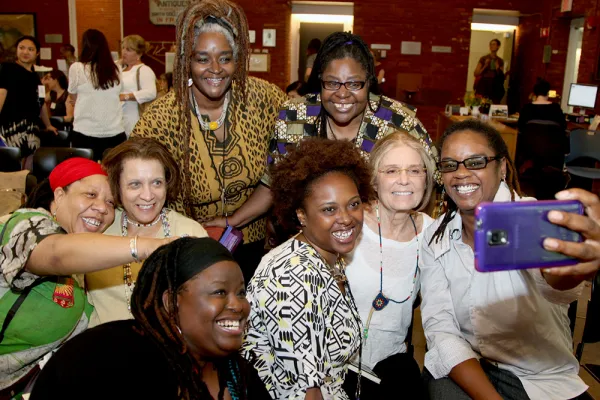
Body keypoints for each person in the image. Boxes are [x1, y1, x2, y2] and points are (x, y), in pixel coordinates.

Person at [420, 119, 593, 400]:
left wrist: (575, 267)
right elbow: (441, 331)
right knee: (438, 386)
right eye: (450, 165)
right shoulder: (435, 238)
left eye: (475, 162)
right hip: (476, 367)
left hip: (542, 379)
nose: (460, 174)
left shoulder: (531, 218)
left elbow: (559, 287)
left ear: (501, 168)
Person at [231, 32, 436, 251]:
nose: (342, 94)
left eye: (354, 84)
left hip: (378, 248)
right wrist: (231, 222)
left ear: (369, 82)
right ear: (320, 81)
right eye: (332, 83)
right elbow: (272, 181)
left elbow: (432, 181)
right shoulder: (296, 116)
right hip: (309, 246)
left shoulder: (398, 122)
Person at [131, 0, 287, 282]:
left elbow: (286, 159)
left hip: (251, 241)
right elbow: (132, 176)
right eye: (202, 59)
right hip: (186, 244)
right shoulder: (161, 118)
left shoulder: (263, 100)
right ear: (186, 62)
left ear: (237, 60)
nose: (215, 69)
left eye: (225, 58)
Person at [0, 157, 172, 397]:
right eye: (90, 195)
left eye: (110, 202)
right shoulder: (24, 224)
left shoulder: (81, 264)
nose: (102, 207)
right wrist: (149, 247)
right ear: (59, 195)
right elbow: (54, 254)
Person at [31, 237, 271, 400]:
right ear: (171, 302)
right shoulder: (113, 360)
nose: (238, 305)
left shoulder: (237, 372)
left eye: (240, 292)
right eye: (220, 292)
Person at [243, 139, 374, 399]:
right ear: (302, 215)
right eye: (329, 209)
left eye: (354, 204)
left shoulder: (325, 253)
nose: (346, 218)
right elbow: (304, 392)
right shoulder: (290, 278)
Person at [343, 131, 437, 399]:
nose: (404, 180)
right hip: (335, 367)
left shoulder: (430, 234)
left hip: (390, 373)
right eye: (392, 170)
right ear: (373, 178)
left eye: (415, 171)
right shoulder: (349, 222)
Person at [86, 137, 208, 326]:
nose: (148, 195)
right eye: (135, 184)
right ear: (117, 186)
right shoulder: (100, 226)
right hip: (102, 345)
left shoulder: (189, 233)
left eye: (157, 183)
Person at [68, 29, 125, 160]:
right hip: (115, 131)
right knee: (113, 176)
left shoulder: (77, 68)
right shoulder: (116, 70)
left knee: (85, 176)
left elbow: (73, 97)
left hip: (85, 132)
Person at [0, 36, 57, 158]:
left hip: (32, 131)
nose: (25, 52)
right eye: (22, 48)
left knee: (29, 168)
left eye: (30, 49)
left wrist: (48, 125)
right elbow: (1, 94)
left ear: (37, 53)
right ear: (16, 50)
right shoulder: (7, 69)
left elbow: (40, 103)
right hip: (11, 129)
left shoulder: (35, 77)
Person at [118, 34, 157, 136]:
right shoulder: (120, 68)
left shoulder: (144, 70)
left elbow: (150, 92)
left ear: (139, 54)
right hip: (119, 119)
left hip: (135, 118)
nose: (124, 52)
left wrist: (125, 96)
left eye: (128, 50)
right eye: (123, 48)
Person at [474, 38, 505, 104]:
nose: (491, 46)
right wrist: (485, 66)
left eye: (494, 44)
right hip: (484, 84)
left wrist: (497, 68)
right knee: (481, 103)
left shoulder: (500, 60)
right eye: (490, 44)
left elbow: (502, 77)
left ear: (498, 46)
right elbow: (476, 73)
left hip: (494, 86)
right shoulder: (484, 58)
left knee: (493, 103)